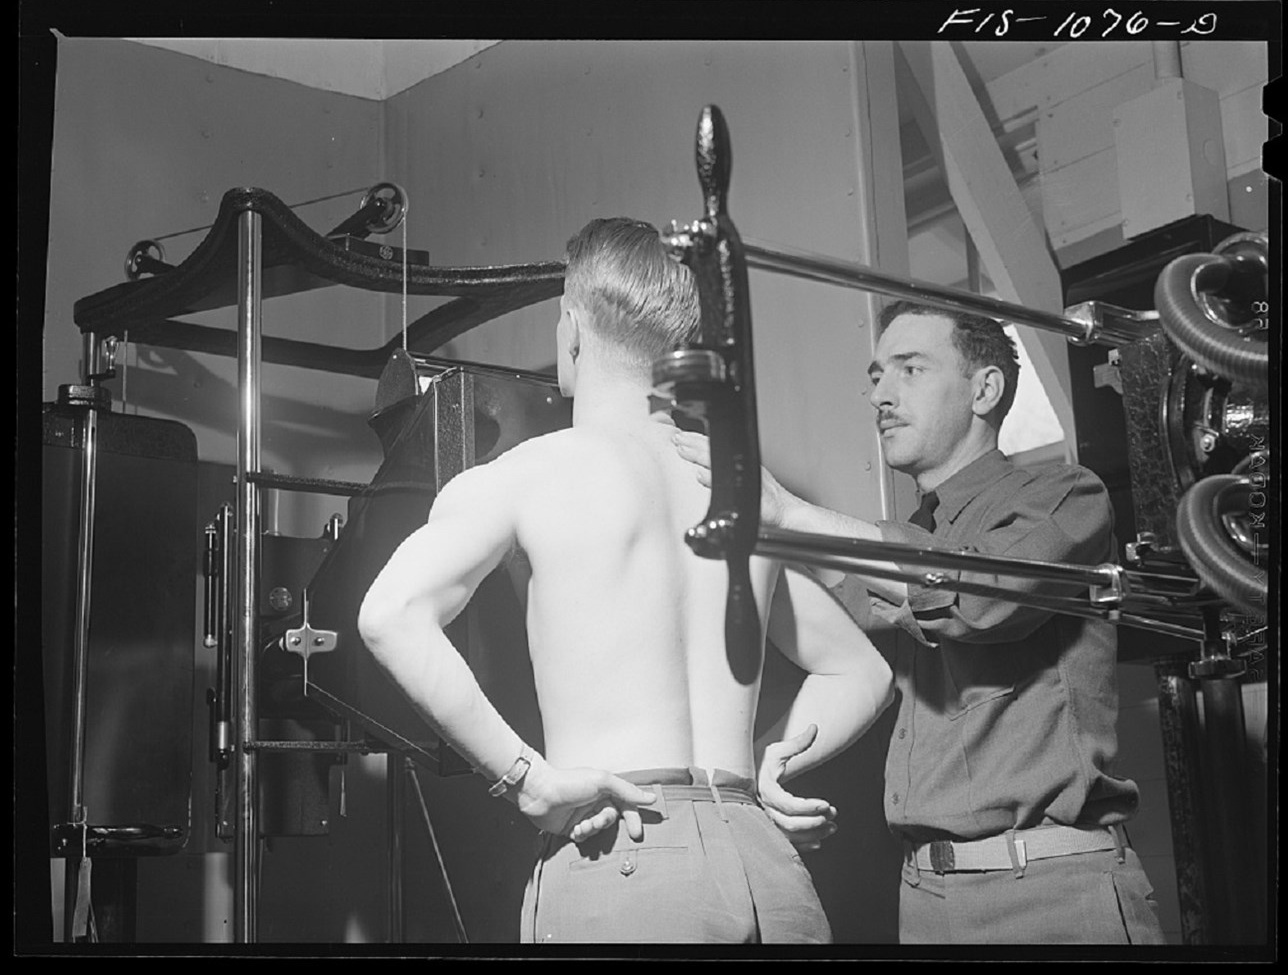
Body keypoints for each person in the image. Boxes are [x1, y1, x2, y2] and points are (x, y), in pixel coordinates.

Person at [357, 217, 894, 945]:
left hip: (626, 852)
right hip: (766, 864)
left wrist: (526, 778)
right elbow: (862, 668)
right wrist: (775, 757)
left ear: (572, 331)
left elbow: (389, 613)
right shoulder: (737, 494)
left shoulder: (533, 472)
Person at [674, 299, 1166, 945]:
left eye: (910, 369)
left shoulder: (1065, 497)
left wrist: (788, 514)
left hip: (1050, 893)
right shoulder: (912, 539)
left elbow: (980, 595)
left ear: (985, 388)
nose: (882, 393)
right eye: (877, 375)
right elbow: (840, 634)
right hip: (927, 897)